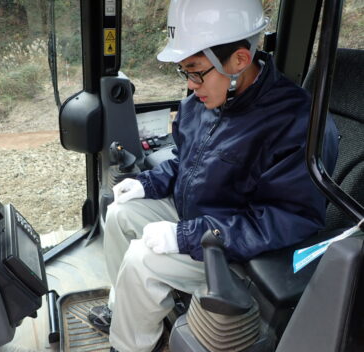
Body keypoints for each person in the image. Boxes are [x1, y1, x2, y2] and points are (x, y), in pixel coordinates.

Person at [88, 0, 339, 351]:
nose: (191, 86)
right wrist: (148, 183)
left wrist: (187, 236)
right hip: (199, 219)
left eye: (196, 71)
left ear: (239, 60)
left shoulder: (299, 124)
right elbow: (185, 161)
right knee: (119, 213)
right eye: (184, 72)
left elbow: (288, 220)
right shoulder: (202, 102)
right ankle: (123, 311)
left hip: (238, 249)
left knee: (142, 260)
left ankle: (129, 345)